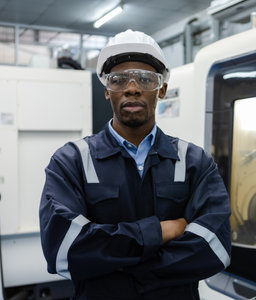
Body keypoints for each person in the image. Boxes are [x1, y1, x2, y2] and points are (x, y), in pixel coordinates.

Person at [39, 29, 231, 300]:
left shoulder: (194, 162)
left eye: (145, 78)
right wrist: (160, 231)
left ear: (162, 89)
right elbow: (62, 250)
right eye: (118, 80)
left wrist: (114, 269)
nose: (132, 87)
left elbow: (215, 249)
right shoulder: (71, 161)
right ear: (107, 90)